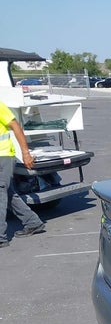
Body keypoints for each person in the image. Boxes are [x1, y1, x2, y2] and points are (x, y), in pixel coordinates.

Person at [1, 99, 46, 247]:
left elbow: (15, 126)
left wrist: (26, 153)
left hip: (3, 156)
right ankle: (33, 222)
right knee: (8, 193)